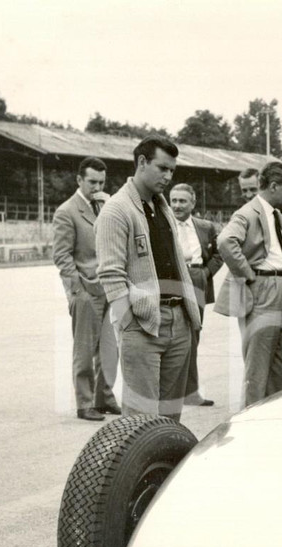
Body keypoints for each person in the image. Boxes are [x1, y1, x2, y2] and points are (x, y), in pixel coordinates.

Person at [96, 136, 201, 421]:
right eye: (162, 168)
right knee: (140, 421)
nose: (168, 176)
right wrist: (129, 323)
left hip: (178, 321)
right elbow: (110, 274)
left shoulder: (162, 207)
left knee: (170, 418)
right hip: (143, 325)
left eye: (172, 170)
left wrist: (186, 317)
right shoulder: (116, 210)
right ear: (142, 162)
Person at [214, 161, 282, 406]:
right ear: (273, 186)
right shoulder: (248, 213)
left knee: (279, 357)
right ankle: (250, 413)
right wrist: (248, 274)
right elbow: (225, 241)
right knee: (258, 360)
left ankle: (273, 411)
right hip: (264, 286)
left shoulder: (276, 214)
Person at [52, 156, 121, 421]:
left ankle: (104, 397)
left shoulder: (105, 206)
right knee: (84, 349)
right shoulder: (66, 211)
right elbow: (62, 255)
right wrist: (77, 291)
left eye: (101, 182)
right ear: (79, 180)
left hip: (109, 287)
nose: (97, 187)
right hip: (85, 289)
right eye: (92, 182)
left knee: (109, 349)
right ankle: (84, 402)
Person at [169, 183, 222, 407]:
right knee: (172, 335)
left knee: (193, 334)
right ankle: (169, 392)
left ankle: (190, 392)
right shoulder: (164, 224)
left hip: (198, 277)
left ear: (193, 203)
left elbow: (219, 253)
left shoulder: (205, 226)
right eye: (173, 201)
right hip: (172, 279)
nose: (177, 205)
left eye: (182, 201)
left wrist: (206, 273)